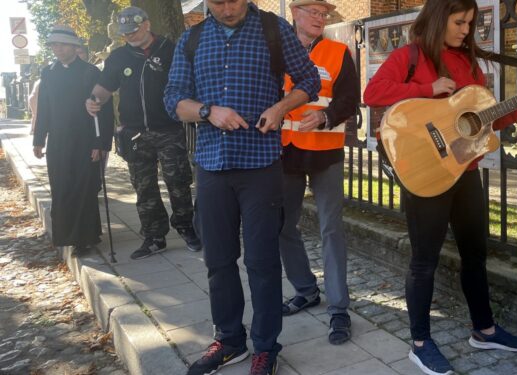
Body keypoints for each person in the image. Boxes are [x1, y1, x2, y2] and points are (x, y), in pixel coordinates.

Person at [363, 0, 517, 374]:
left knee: (475, 254)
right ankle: (420, 342)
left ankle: (484, 329)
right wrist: (427, 86)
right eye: (460, 22)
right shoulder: (410, 56)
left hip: (464, 171)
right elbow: (373, 93)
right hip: (424, 173)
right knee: (424, 262)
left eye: (470, 23)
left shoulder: (468, 64)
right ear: (438, 19)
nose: (467, 30)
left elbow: (484, 123)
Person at [164, 0, 320, 374]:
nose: (227, 8)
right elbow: (173, 99)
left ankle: (266, 347)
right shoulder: (192, 37)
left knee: (262, 262)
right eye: (217, 2)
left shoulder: (273, 29)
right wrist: (207, 111)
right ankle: (230, 340)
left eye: (233, 0)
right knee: (218, 261)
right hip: (211, 165)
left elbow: (309, 81)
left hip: (261, 164)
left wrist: (282, 107)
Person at [86, 7, 202, 260]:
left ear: (147, 24)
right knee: (143, 187)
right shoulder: (118, 57)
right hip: (134, 134)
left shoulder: (171, 50)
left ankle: (186, 227)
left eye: (134, 30)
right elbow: (103, 88)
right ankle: (154, 236)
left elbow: (191, 83)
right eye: (125, 33)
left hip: (169, 129)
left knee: (179, 182)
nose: (130, 35)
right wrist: (93, 100)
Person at [278, 0, 359, 345]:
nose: (319, 18)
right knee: (283, 226)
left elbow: (350, 100)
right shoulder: (276, 50)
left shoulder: (339, 52)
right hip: (284, 151)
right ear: (294, 13)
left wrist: (325, 117)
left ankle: (339, 308)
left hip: (325, 151)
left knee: (331, 229)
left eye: (324, 14)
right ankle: (306, 289)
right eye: (312, 11)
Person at [32, 25, 114, 255]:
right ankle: (66, 234)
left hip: (85, 140)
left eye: (61, 44)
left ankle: (84, 238)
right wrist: (39, 139)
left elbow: (104, 111)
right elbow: (44, 108)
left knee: (84, 188)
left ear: (74, 46)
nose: (56, 49)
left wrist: (101, 144)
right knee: (62, 187)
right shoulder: (48, 72)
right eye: (53, 45)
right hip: (58, 140)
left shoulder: (90, 73)